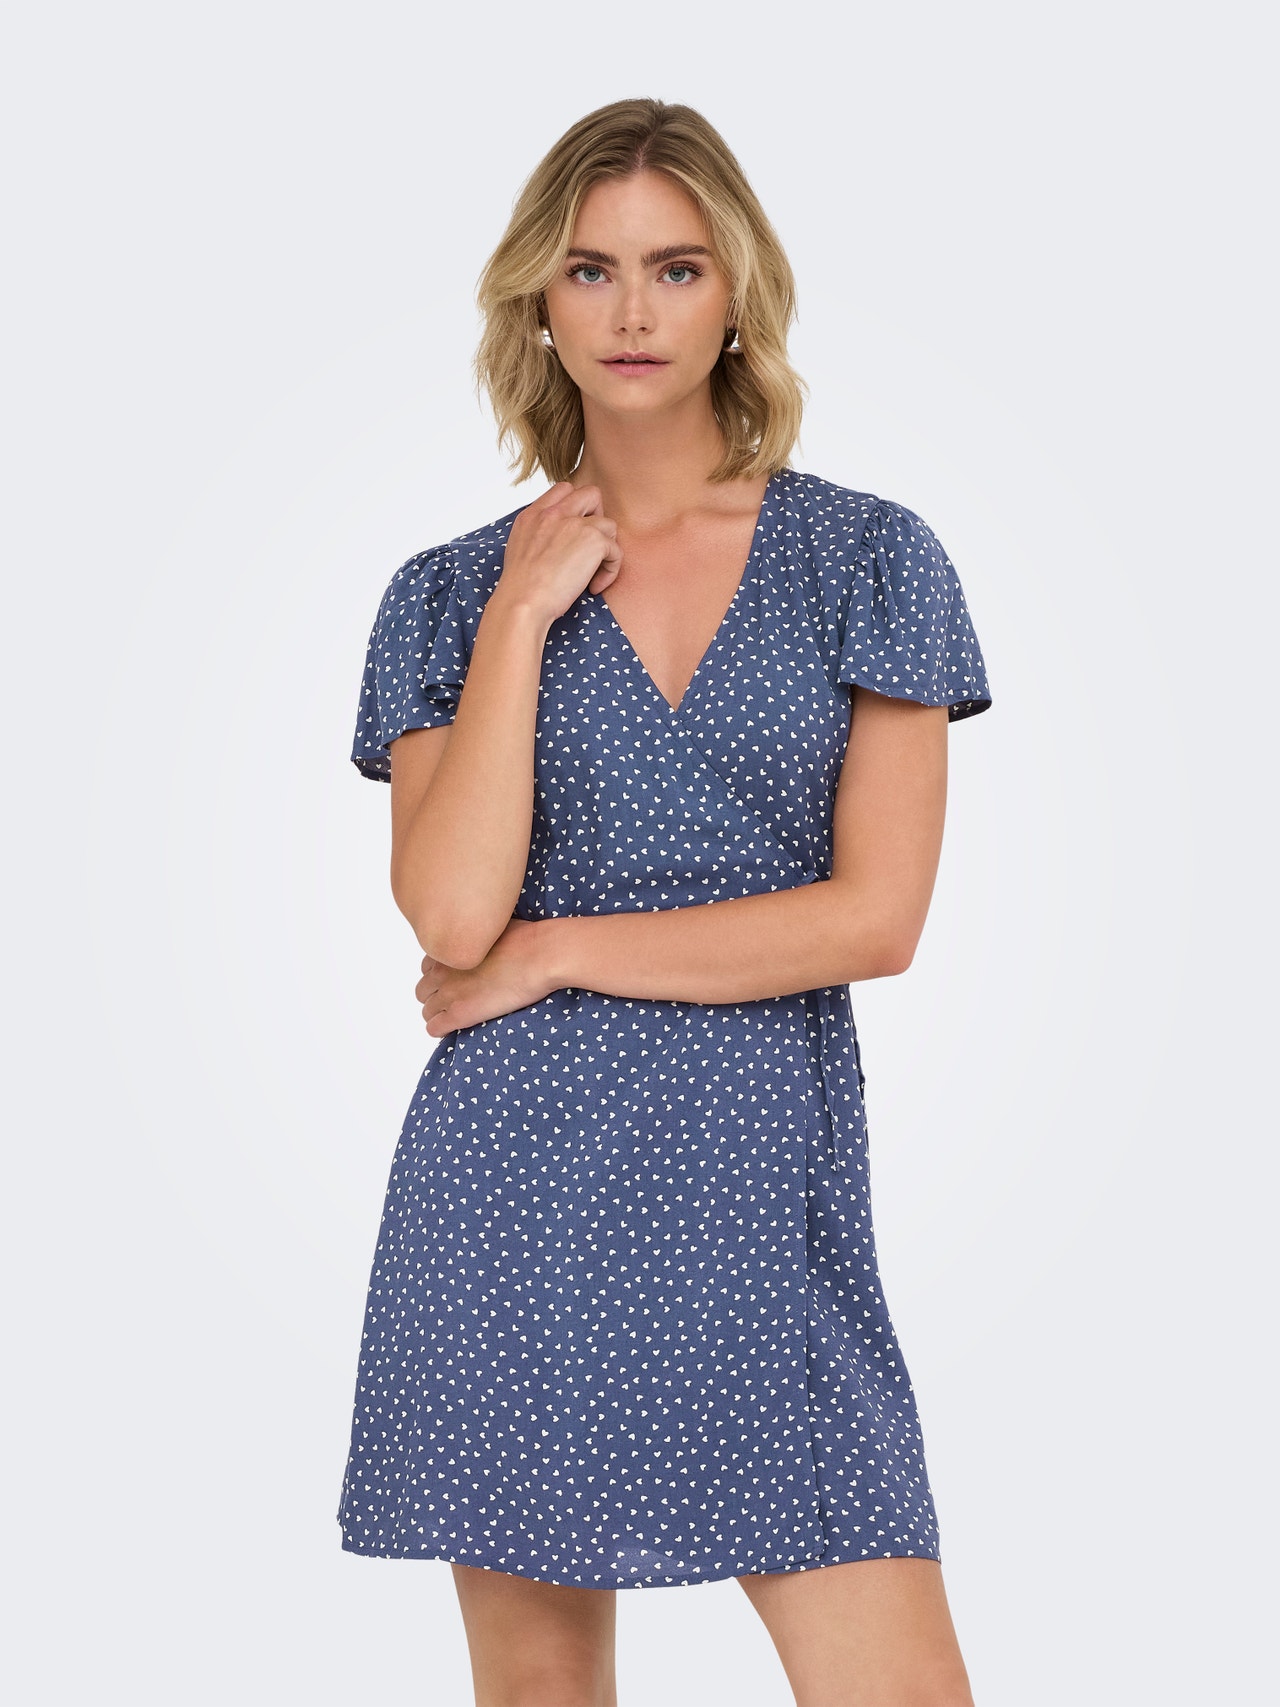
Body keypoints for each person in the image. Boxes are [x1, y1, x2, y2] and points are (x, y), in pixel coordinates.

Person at [336, 97, 992, 1707]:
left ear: (736, 295)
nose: (633, 311)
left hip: (764, 1197)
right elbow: (452, 918)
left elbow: (875, 919)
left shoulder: (869, 560)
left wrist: (559, 951)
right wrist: (521, 615)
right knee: (542, 1696)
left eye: (676, 268)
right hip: (512, 1195)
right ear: (539, 305)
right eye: (592, 270)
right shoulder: (447, 594)